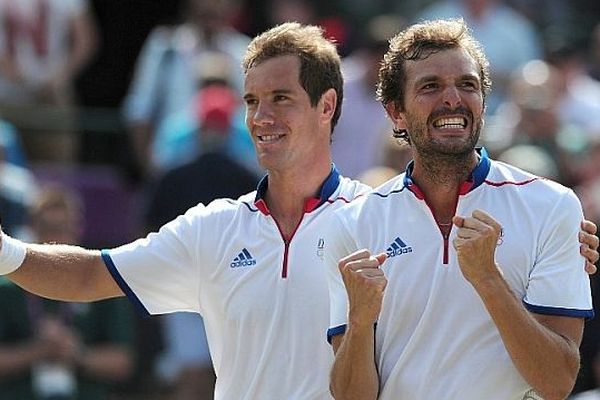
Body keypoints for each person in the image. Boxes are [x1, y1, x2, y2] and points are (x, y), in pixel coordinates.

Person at [0, 22, 597, 400]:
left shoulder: (367, 214)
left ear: (327, 105)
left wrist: (566, 241)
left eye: (280, 99)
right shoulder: (217, 227)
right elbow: (85, 274)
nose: (261, 117)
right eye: (252, 101)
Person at [325, 19, 595, 400]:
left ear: (483, 103)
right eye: (431, 86)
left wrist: (488, 279)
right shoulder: (353, 222)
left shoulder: (552, 206)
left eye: (467, 85)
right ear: (395, 112)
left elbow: (557, 382)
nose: (452, 98)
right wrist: (359, 318)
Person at [0, 185, 133, 400]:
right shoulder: (7, 287)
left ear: (77, 229)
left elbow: (122, 360)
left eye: (63, 228)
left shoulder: (102, 281)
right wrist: (37, 351)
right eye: (47, 227)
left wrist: (77, 355)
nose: (54, 238)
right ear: (31, 228)